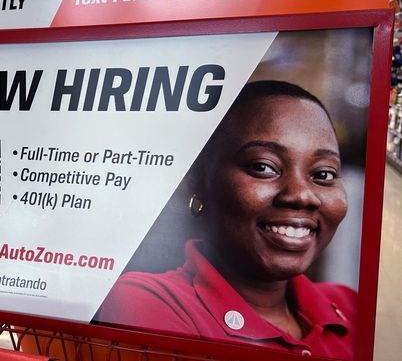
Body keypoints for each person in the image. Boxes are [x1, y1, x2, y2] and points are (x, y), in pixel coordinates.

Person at [96, 80, 355, 359]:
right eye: (263, 167)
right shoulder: (147, 302)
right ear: (197, 180)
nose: (301, 195)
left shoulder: (350, 305)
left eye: (323, 174)